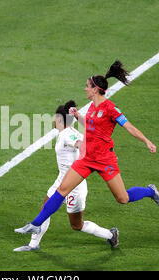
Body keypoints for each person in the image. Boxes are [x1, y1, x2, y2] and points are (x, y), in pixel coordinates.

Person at [15, 60, 159, 248]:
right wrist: (78, 116)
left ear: (95, 89)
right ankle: (36, 224)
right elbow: (92, 125)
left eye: (87, 86)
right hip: (86, 159)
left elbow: (129, 127)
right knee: (61, 190)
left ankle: (150, 192)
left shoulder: (110, 108)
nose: (85, 89)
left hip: (104, 160)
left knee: (123, 199)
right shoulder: (93, 107)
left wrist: (147, 141)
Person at [13, 101, 117, 252]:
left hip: (75, 185)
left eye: (55, 118)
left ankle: (110, 234)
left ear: (60, 120)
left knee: (76, 225)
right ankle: (33, 245)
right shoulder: (72, 131)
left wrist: (89, 150)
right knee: (45, 209)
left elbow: (80, 144)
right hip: (61, 180)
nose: (53, 120)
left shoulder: (67, 135)